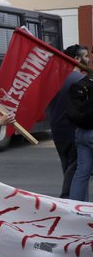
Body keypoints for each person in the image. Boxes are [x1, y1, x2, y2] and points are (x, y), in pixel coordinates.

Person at [48, 45, 89, 198]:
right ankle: (69, 201)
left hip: (58, 130)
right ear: (77, 59)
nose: (88, 59)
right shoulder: (79, 79)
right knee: (77, 170)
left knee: (68, 168)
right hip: (73, 131)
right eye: (85, 56)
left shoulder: (56, 78)